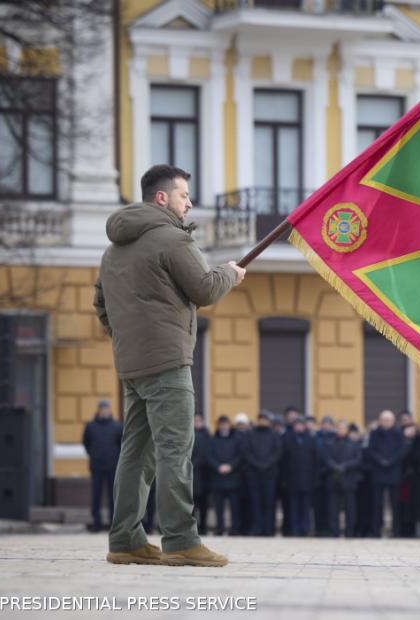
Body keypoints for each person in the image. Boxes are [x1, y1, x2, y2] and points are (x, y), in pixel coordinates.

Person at [94, 164, 244, 567]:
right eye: (184, 195)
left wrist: (127, 338)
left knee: (135, 453)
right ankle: (180, 540)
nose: (189, 203)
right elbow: (205, 289)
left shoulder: (113, 250)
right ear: (162, 198)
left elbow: (101, 305)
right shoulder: (172, 239)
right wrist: (229, 273)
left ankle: (125, 540)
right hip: (168, 362)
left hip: (132, 365)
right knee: (175, 450)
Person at [366, 410, 408, 537]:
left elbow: (402, 451)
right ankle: (376, 531)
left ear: (393, 421)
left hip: (393, 472)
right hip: (378, 472)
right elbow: (370, 450)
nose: (386, 422)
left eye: (388, 420)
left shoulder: (399, 434)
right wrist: (380, 460)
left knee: (395, 504)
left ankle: (396, 531)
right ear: (380, 421)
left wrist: (390, 461)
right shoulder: (374, 434)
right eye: (384, 420)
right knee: (376, 504)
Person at [82, 400, 123, 532]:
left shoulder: (117, 426)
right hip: (96, 466)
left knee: (113, 496)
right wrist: (94, 454)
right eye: (102, 409)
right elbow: (86, 443)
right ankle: (96, 523)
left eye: (106, 409)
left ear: (109, 410)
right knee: (96, 495)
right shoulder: (90, 426)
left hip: (113, 466)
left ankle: (113, 523)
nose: (105, 411)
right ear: (98, 410)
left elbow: (121, 445)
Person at [320, 421, 363, 537]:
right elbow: (326, 459)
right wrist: (335, 467)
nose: (341, 430)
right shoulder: (329, 443)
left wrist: (345, 467)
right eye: (339, 428)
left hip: (349, 479)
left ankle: (350, 532)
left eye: (343, 428)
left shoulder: (354, 444)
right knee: (333, 508)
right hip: (333, 478)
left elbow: (358, 459)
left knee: (350, 508)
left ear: (347, 430)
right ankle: (334, 531)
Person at [242, 412, 282, 535]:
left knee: (269, 503)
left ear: (269, 421)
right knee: (255, 503)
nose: (263, 421)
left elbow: (278, 452)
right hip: (254, 474)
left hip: (270, 475)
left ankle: (268, 529)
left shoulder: (274, 435)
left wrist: (267, 464)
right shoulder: (250, 434)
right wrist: (257, 464)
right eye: (261, 419)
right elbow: (246, 451)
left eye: (265, 419)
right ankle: (256, 528)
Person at [281, 418, 317, 536]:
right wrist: (284, 479)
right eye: (297, 425)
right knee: (293, 506)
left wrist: (313, 478)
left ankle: (305, 528)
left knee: (305, 507)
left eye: (301, 425)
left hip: (307, 479)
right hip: (292, 479)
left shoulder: (310, 439)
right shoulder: (287, 439)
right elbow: (284, 461)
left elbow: (314, 461)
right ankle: (294, 529)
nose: (299, 427)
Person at [208, 416, 242, 536]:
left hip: (233, 478)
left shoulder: (236, 439)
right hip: (218, 478)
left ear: (229, 425)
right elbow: (209, 456)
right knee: (219, 507)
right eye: (221, 424)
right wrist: (218, 466)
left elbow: (240, 456)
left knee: (235, 507)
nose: (224, 426)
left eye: (226, 423)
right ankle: (220, 529)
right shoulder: (212, 440)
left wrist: (230, 466)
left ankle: (235, 529)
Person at [191, 414, 213, 535]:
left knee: (204, 504)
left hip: (205, 476)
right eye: (195, 420)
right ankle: (193, 529)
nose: (197, 423)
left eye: (199, 420)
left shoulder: (208, 436)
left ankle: (203, 527)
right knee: (191, 504)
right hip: (192, 475)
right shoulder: (189, 435)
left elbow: (209, 453)